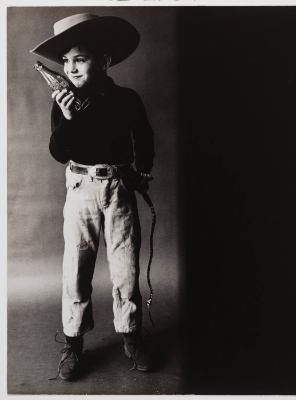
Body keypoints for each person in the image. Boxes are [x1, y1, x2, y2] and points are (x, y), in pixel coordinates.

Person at [30, 13, 155, 380]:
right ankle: (73, 342)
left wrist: (140, 173)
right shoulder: (63, 102)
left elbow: (143, 138)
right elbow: (58, 151)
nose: (70, 67)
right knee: (76, 268)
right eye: (65, 60)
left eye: (80, 58)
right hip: (81, 188)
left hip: (118, 188)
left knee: (125, 265)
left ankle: (131, 336)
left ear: (104, 61)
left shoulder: (128, 100)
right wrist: (68, 120)